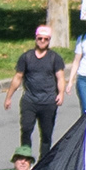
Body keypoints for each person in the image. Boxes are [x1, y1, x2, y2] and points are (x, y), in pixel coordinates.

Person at [11, 21, 66, 160]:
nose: (42, 41)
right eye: (40, 38)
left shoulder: (54, 58)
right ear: (35, 38)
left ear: (49, 41)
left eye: (45, 39)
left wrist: (61, 94)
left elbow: (60, 78)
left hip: (48, 101)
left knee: (46, 134)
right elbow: (18, 77)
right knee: (26, 129)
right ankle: (25, 157)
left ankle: (43, 162)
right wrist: (9, 96)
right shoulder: (26, 57)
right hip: (30, 100)